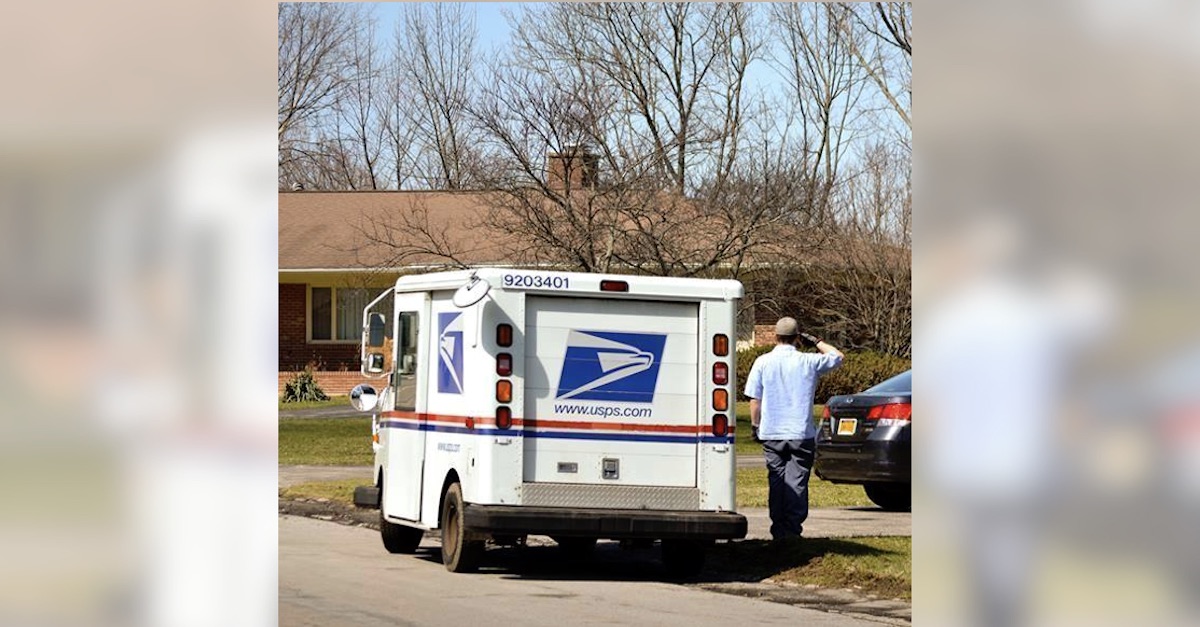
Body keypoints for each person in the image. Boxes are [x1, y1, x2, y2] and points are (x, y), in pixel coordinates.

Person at [744, 316, 844, 540]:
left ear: (775, 336)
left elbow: (755, 399)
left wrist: (755, 425)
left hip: (772, 432)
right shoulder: (807, 361)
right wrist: (816, 341)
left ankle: (778, 527)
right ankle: (792, 529)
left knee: (777, 480)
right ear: (797, 338)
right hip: (800, 433)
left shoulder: (762, 362)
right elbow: (837, 357)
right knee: (797, 481)